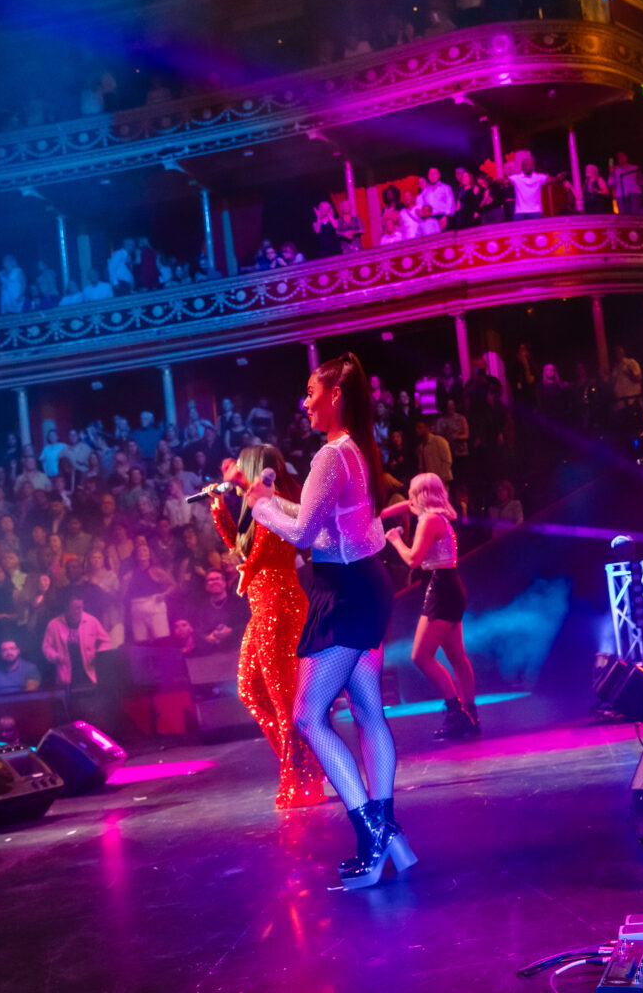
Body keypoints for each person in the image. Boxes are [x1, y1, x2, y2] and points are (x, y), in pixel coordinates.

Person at [248, 353, 414, 889]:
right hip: (364, 586)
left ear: (334, 395)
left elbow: (300, 535)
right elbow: (320, 523)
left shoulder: (330, 456)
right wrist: (275, 499)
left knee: (307, 715)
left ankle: (374, 835)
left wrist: (258, 506)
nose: (305, 402)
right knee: (368, 710)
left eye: (310, 393)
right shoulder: (358, 449)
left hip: (345, 596)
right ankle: (388, 831)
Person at [209, 445, 324, 809]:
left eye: (243, 469)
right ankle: (303, 766)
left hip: (280, 605)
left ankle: (302, 778)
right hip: (262, 608)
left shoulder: (277, 501)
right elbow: (243, 551)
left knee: (283, 698)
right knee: (250, 690)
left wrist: (247, 571)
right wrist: (218, 512)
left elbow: (265, 553)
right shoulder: (256, 508)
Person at [383, 473, 477, 739]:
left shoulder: (429, 520)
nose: (409, 499)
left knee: (420, 656)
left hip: (441, 589)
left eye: (413, 493)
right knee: (457, 657)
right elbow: (407, 506)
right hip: (448, 586)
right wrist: (381, 514)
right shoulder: (440, 515)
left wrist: (395, 539)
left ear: (420, 495)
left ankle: (456, 712)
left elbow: (413, 560)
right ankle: (470, 715)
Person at [43, 595, 111, 688]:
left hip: (89, 675)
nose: (80, 611)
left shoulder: (91, 621)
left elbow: (106, 641)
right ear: (66, 608)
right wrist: (56, 657)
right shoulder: (54, 625)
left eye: (81, 607)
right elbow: (46, 647)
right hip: (65, 677)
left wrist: (99, 655)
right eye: (76, 608)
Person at [507, 153, 548, 220]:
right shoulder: (517, 178)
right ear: (522, 167)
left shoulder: (538, 177)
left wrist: (558, 177)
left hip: (535, 211)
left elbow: (550, 180)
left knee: (536, 230)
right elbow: (505, 181)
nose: (528, 167)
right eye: (526, 165)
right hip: (520, 212)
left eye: (529, 165)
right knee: (519, 230)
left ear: (532, 166)